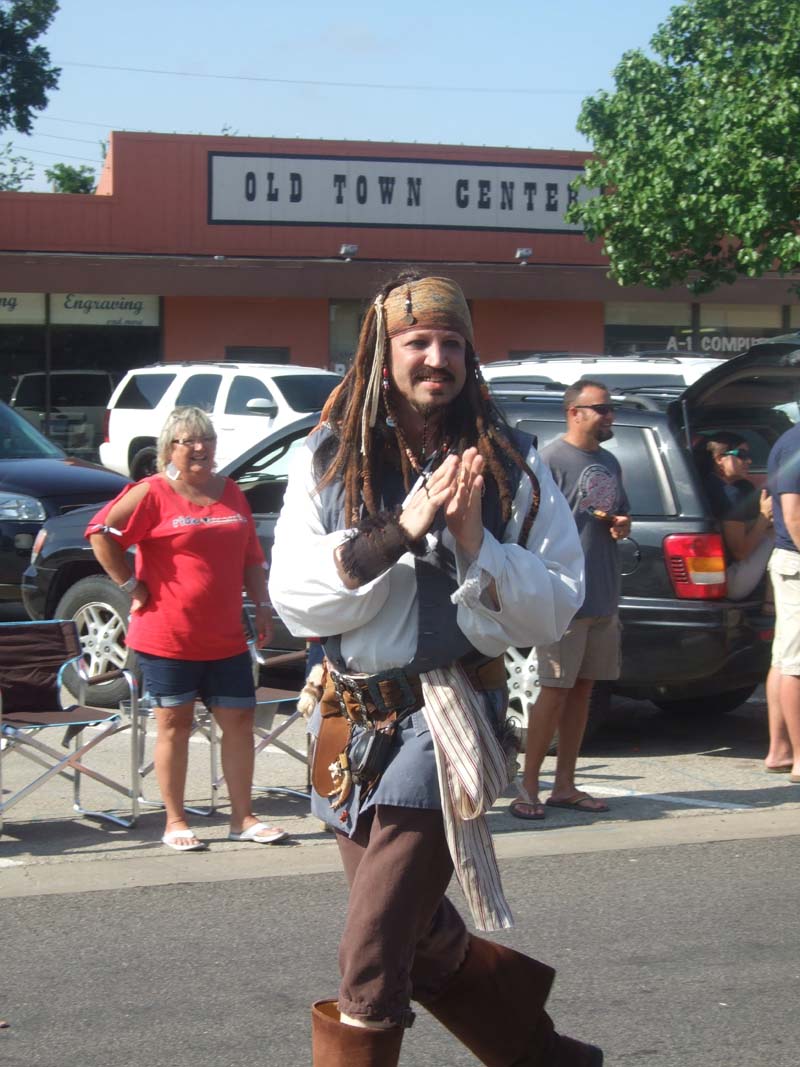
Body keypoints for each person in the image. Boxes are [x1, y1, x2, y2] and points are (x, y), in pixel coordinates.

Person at [269, 273, 603, 1066]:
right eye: (418, 342)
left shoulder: (511, 462)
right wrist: (400, 529)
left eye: (452, 343)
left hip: (448, 720)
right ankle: (550, 1058)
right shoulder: (327, 455)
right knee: (416, 930)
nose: (437, 357)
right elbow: (295, 599)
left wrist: (473, 542)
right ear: (383, 355)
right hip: (348, 721)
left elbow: (554, 603)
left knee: (374, 944)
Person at [86, 405, 288, 851]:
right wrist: (129, 583)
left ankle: (243, 817)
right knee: (174, 724)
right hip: (167, 635)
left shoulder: (231, 491)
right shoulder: (152, 492)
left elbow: (251, 556)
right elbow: (100, 531)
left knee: (238, 720)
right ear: (168, 449)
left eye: (206, 440)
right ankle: (175, 821)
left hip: (226, 635)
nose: (199, 449)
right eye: (187, 441)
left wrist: (263, 606)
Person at [513, 379, 630, 822]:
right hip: (564, 598)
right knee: (554, 690)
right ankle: (528, 787)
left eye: (609, 408)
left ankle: (565, 785)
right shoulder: (549, 461)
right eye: (601, 408)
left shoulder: (610, 461)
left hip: (603, 595)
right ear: (574, 412)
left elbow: (620, 515)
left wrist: (622, 523)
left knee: (584, 690)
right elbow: (526, 527)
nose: (609, 416)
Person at [695, 431, 774, 601]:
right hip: (729, 583)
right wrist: (764, 517)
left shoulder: (713, 486)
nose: (749, 461)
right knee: (780, 534)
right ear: (718, 459)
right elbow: (740, 552)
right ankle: (771, 605)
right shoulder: (726, 494)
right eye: (741, 455)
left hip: (720, 579)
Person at [765, 423, 800, 780]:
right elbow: (792, 515)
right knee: (796, 665)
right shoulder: (796, 445)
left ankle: (780, 751)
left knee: (784, 658)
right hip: (797, 564)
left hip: (790, 562)